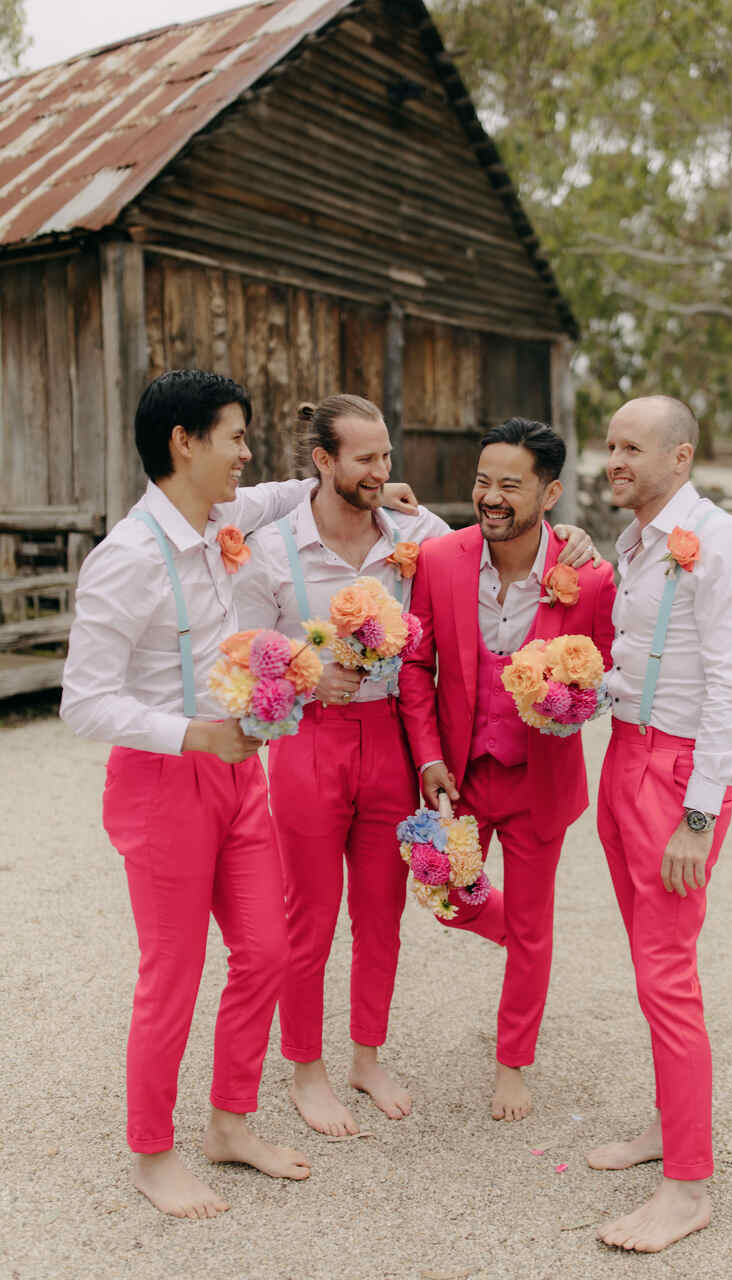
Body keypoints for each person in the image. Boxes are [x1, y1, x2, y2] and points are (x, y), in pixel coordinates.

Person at [59, 370, 418, 1217]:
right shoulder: (126, 560)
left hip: (237, 777)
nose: (247, 454)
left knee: (264, 951)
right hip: (162, 782)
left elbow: (295, 486)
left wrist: (375, 481)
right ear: (183, 443)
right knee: (172, 975)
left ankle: (228, 1122)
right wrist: (191, 734)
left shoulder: (225, 517)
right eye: (234, 438)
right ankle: (152, 1156)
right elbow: (82, 701)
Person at [235, 397, 596, 1138]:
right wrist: (306, 677)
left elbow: (504, 534)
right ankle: (307, 1069)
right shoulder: (270, 550)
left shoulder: (416, 535)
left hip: (392, 745)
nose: (383, 473)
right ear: (323, 462)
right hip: (309, 745)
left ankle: (366, 1057)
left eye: (387, 459)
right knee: (307, 918)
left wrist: (571, 538)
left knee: (382, 915)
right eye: (366, 460)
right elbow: (245, 657)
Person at [398, 418, 616, 1122]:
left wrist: (572, 706)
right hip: (458, 773)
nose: (489, 497)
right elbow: (414, 666)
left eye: (509, 486)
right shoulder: (437, 558)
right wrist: (428, 756)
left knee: (533, 917)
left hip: (539, 779)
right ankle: (519, 934)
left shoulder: (589, 578)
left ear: (549, 493)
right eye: (481, 482)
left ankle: (512, 1062)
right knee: (442, 895)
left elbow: (603, 677)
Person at [588, 395, 732, 1253]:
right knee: (644, 959)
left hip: (677, 774)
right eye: (610, 445)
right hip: (623, 755)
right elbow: (635, 660)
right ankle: (669, 1122)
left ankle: (687, 1187)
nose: (613, 460)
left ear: (681, 456)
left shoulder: (722, 545)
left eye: (631, 448)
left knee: (665, 973)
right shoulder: (634, 542)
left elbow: (731, 690)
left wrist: (697, 813)